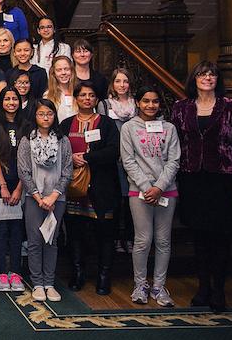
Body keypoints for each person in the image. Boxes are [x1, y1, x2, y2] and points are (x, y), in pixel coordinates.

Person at [171, 61, 232, 313]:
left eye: (212, 74)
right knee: (199, 237)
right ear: (193, 78)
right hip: (192, 179)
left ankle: (219, 290)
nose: (207, 78)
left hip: (222, 180)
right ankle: (203, 287)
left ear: (218, 79)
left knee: (221, 238)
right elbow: (174, 145)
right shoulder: (181, 108)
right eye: (202, 74)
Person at [120, 86, 180, 307]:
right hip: (139, 191)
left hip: (167, 190)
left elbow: (174, 161)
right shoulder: (128, 128)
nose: (150, 105)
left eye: (155, 101)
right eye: (145, 101)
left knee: (163, 240)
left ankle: (159, 286)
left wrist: (160, 187)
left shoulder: (170, 128)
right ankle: (140, 285)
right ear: (138, 102)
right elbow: (128, 160)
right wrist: (147, 187)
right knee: (143, 240)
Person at [59, 81, 120, 296]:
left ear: (96, 99)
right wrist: (70, 159)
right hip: (73, 188)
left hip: (101, 187)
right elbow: (57, 151)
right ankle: (78, 273)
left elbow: (113, 152)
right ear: (76, 98)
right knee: (75, 233)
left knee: (104, 234)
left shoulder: (107, 124)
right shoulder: (66, 124)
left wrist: (86, 157)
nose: (87, 98)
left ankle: (104, 276)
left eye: (91, 95)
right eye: (83, 95)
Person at [17, 98, 73, 303]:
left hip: (56, 198)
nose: (46, 117)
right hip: (34, 198)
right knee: (34, 242)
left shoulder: (63, 140)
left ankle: (49, 283)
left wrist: (53, 195)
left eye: (49, 114)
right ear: (35, 116)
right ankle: (37, 283)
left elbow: (67, 171)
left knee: (51, 240)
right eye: (41, 114)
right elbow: (23, 171)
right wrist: (38, 197)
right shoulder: (26, 140)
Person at [0, 87, 28, 292]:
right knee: (1, 229)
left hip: (21, 184)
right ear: (1, 102)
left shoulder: (27, 125)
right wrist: (3, 185)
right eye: (7, 99)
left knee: (17, 229)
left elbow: (29, 159)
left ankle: (16, 272)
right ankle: (1, 272)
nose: (11, 102)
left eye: (15, 99)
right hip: (0, 184)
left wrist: (20, 188)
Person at [98, 68, 137, 254]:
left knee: (131, 201)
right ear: (112, 84)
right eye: (118, 81)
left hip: (134, 159)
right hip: (113, 159)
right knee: (115, 201)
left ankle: (129, 237)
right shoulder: (104, 105)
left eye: (125, 81)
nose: (122, 85)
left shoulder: (137, 105)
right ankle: (114, 238)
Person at [45, 56, 77, 122]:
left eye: (66, 69)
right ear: (53, 73)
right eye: (59, 70)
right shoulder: (48, 95)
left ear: (72, 71)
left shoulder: (80, 92)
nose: (63, 73)